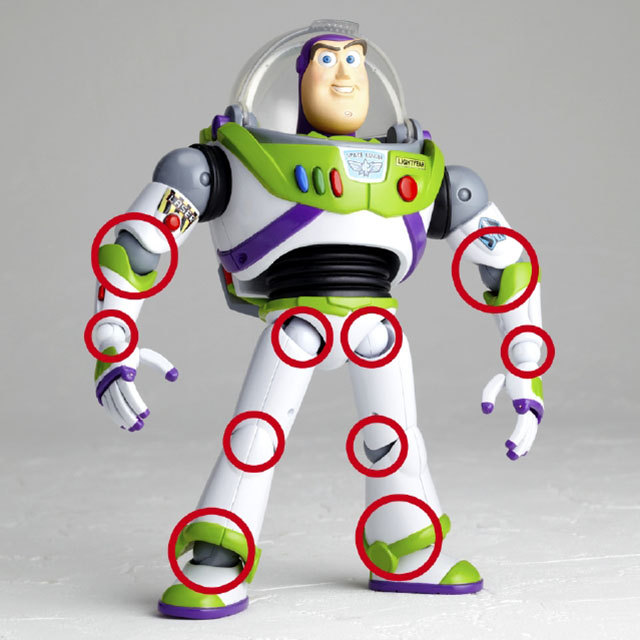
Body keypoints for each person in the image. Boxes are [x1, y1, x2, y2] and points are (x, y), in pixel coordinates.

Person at [90, 22, 545, 620]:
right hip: (296, 320)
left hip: (377, 321)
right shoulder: (235, 163)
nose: (345, 73)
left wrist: (524, 362)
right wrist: (114, 333)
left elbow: (504, 261)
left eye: (354, 60)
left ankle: (407, 545)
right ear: (297, 81)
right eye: (327, 61)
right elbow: (141, 244)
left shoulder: (421, 171)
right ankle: (221, 550)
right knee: (256, 436)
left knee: (395, 438)